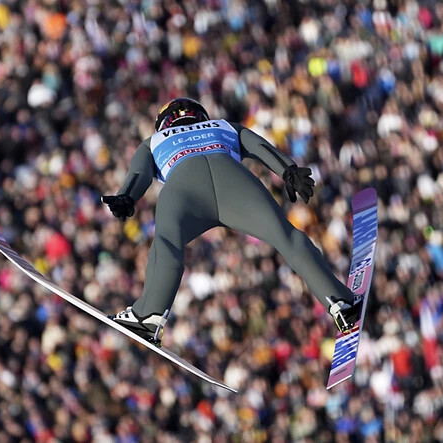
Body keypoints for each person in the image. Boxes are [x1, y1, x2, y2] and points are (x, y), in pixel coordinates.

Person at [102, 98, 362, 346]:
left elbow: (139, 173)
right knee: (287, 237)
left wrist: (127, 196)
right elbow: (261, 147)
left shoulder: (153, 141)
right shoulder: (223, 125)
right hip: (235, 183)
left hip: (184, 188)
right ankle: (339, 301)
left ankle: (149, 316)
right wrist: (289, 170)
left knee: (167, 246)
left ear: (163, 123)